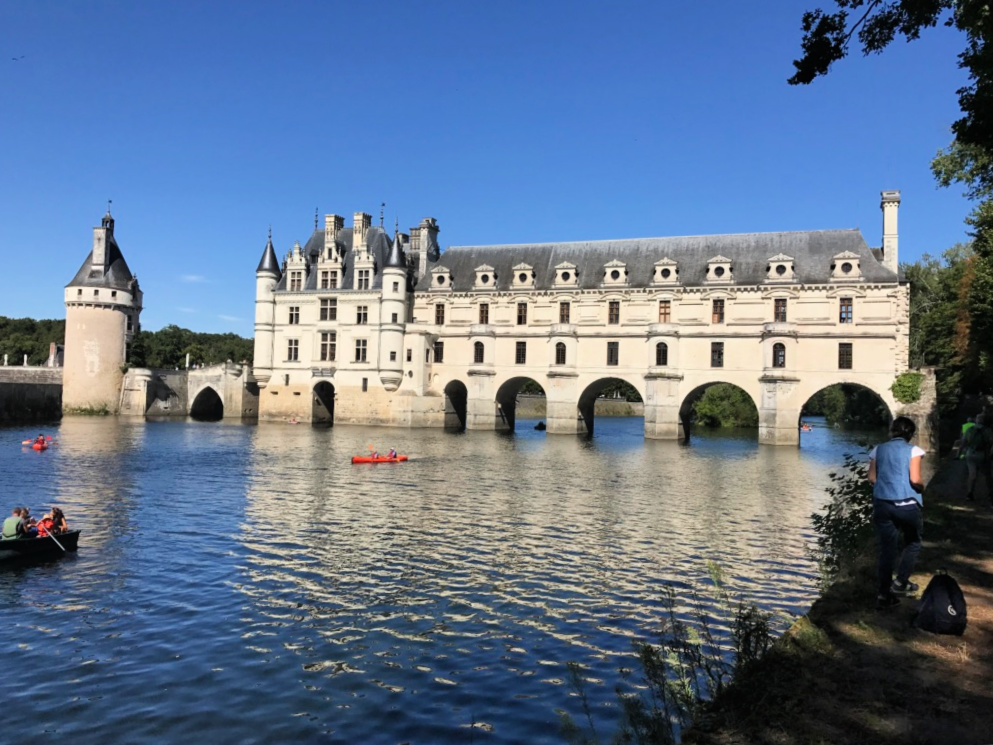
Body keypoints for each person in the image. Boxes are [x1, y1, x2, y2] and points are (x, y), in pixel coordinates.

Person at [867, 416, 926, 608]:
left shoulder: (878, 449)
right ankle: (901, 582)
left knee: (887, 548)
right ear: (910, 433)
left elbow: (872, 478)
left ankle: (883, 595)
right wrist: (922, 488)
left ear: (892, 431)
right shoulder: (914, 450)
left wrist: (887, 487)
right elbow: (916, 479)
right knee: (913, 542)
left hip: (882, 504)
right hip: (907, 504)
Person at [962, 413, 993, 501]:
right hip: (983, 454)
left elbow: (963, 443)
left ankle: (970, 493)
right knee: (988, 475)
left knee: (972, 475)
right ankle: (990, 493)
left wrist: (958, 454)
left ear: (976, 420)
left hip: (970, 454)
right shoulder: (987, 430)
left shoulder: (970, 429)